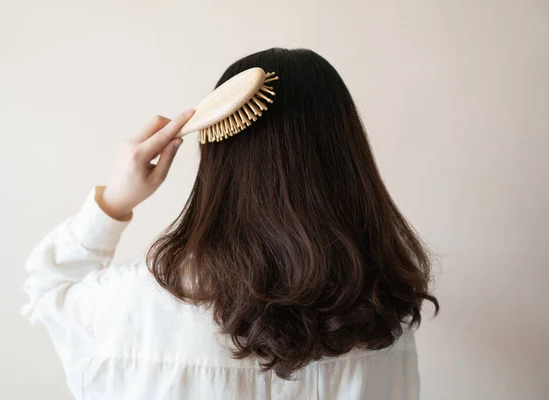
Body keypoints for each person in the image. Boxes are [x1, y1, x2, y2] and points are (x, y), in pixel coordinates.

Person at [22, 48, 438, 399]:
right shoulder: (384, 318)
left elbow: (48, 291)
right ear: (347, 161)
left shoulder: (131, 307)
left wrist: (114, 201)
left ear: (218, 163)